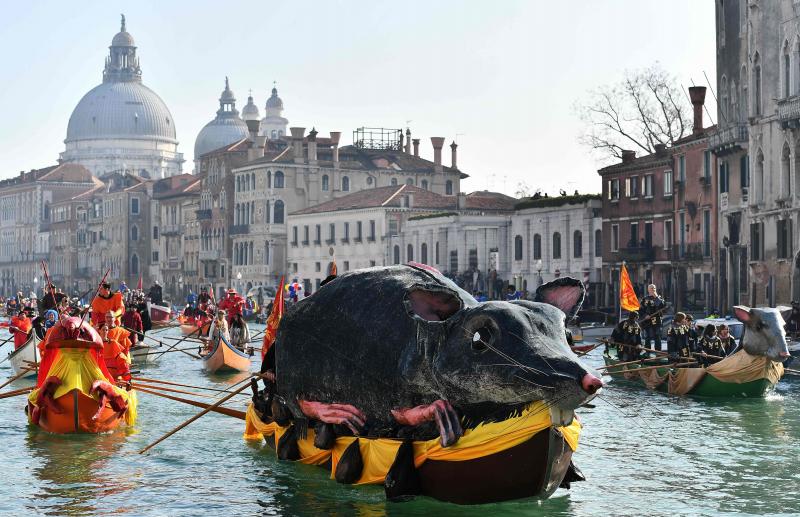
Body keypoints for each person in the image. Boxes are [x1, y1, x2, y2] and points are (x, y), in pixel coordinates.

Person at [100, 312, 131, 381]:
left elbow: (125, 349)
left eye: (111, 317)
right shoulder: (100, 330)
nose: (109, 319)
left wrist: (125, 366)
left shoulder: (121, 331)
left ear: (115, 318)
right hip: (104, 363)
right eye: (107, 317)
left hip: (117, 363)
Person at [640, 284, 666, 351]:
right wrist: (645, 315)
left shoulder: (660, 298)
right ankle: (648, 351)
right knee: (647, 336)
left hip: (657, 320)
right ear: (648, 290)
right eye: (651, 288)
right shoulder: (645, 299)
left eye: (654, 288)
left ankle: (658, 351)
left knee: (657, 336)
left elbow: (663, 307)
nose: (653, 289)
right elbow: (640, 309)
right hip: (647, 321)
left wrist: (656, 297)